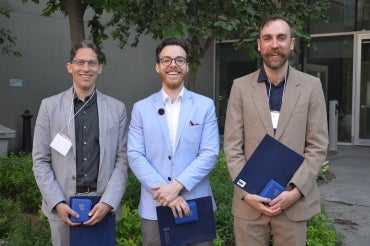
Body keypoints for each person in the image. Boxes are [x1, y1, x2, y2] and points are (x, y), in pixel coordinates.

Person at [223, 14, 328, 246]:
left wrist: (296, 191)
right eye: (267, 38)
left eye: (281, 38)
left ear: (291, 44)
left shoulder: (311, 87)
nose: (274, 44)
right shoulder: (240, 87)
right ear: (259, 44)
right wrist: (246, 192)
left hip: (293, 203)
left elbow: (318, 145)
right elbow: (232, 146)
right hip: (249, 203)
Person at [32, 40, 129, 246]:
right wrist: (57, 201)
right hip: (64, 205)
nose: (86, 68)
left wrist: (108, 202)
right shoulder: (49, 107)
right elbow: (40, 160)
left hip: (101, 205)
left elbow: (122, 161)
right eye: (80, 62)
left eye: (92, 63)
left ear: (99, 68)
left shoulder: (117, 109)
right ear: (70, 67)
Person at [127, 39, 220, 246]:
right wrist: (166, 194)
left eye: (180, 60)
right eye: (166, 60)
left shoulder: (205, 106)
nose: (173, 65)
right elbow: (134, 155)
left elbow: (210, 153)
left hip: (196, 202)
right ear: (157, 66)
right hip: (155, 206)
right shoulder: (141, 109)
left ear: (186, 66)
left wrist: (176, 186)